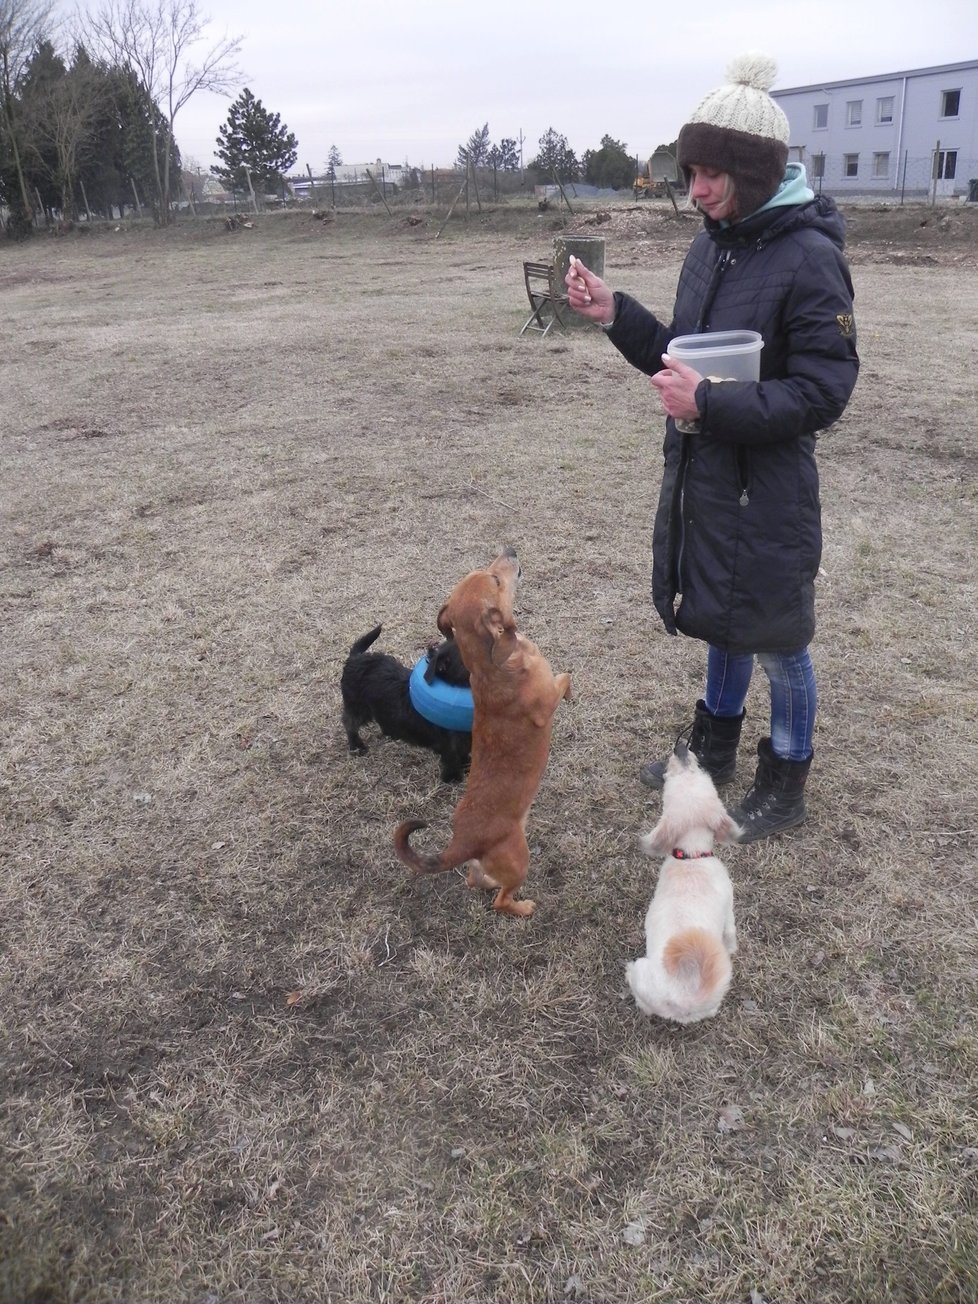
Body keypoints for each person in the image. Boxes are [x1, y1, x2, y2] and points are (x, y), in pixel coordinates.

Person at [565, 53, 859, 843]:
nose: (694, 189)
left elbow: (826, 391)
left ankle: (786, 780)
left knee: (778, 641)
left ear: (755, 172)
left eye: (710, 174)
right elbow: (677, 352)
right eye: (691, 171)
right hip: (709, 476)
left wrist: (712, 402)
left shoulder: (810, 258)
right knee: (721, 619)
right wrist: (612, 312)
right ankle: (712, 751)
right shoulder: (712, 244)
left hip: (768, 489)